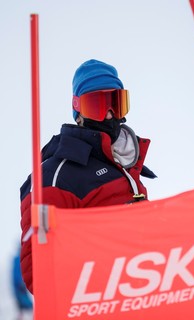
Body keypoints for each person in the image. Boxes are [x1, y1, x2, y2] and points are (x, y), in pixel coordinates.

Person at [20, 59, 156, 294]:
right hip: (100, 301)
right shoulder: (55, 175)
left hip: (141, 294)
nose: (109, 115)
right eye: (97, 106)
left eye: (116, 103)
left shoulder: (124, 166)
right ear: (78, 112)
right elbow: (38, 271)